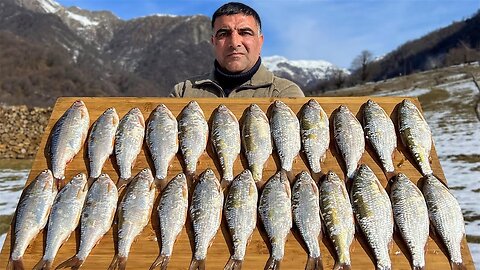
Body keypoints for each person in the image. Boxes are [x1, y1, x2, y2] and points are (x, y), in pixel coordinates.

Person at [170, 2, 304, 97]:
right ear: (213, 42)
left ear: (260, 42)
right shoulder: (184, 92)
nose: (234, 43)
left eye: (245, 32)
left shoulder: (284, 93)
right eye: (224, 34)